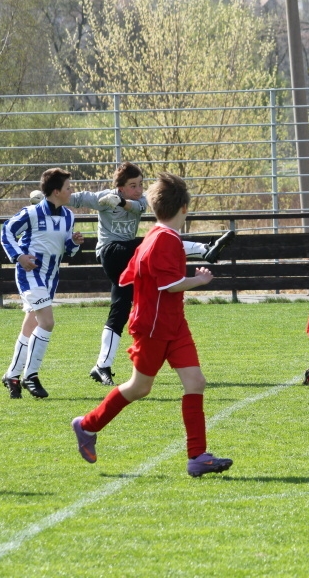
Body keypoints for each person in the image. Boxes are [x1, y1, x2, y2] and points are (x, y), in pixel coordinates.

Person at [71, 172, 233, 478]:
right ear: (184, 208)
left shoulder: (157, 237)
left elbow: (131, 274)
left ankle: (197, 457)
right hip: (155, 327)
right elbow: (169, 284)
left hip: (174, 325)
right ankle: (87, 424)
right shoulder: (163, 240)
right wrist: (198, 280)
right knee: (139, 387)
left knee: (195, 383)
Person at [48, 162, 234, 387]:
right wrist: (46, 198)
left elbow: (138, 208)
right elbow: (74, 199)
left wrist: (122, 202)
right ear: (120, 186)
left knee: (120, 309)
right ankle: (205, 250)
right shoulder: (104, 197)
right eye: (132, 185)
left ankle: (102, 365)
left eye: (140, 185)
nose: (138, 189)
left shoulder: (139, 200)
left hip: (129, 261)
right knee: (154, 242)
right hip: (111, 253)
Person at [0, 168, 85, 399]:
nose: (72, 190)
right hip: (31, 274)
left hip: (51, 276)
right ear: (56, 191)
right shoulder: (32, 213)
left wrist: (75, 242)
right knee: (47, 322)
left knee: (30, 325)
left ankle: (12, 375)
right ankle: (31, 376)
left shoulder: (68, 215)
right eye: (68, 187)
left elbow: (67, 249)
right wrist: (19, 256)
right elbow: (6, 230)